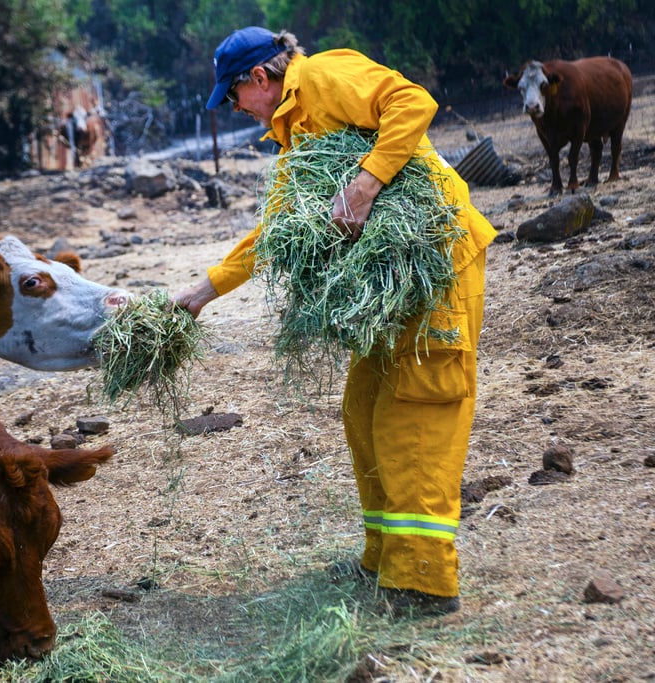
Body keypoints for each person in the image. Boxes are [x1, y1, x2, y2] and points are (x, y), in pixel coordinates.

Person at [174, 26, 497, 616]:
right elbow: (279, 231)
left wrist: (367, 183)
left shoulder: (323, 76)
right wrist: (203, 291)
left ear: (260, 79)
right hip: (389, 284)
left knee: (414, 414)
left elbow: (413, 101)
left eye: (232, 96)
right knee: (364, 410)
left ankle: (423, 581)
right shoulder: (294, 133)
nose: (234, 109)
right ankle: (384, 558)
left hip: (433, 259)